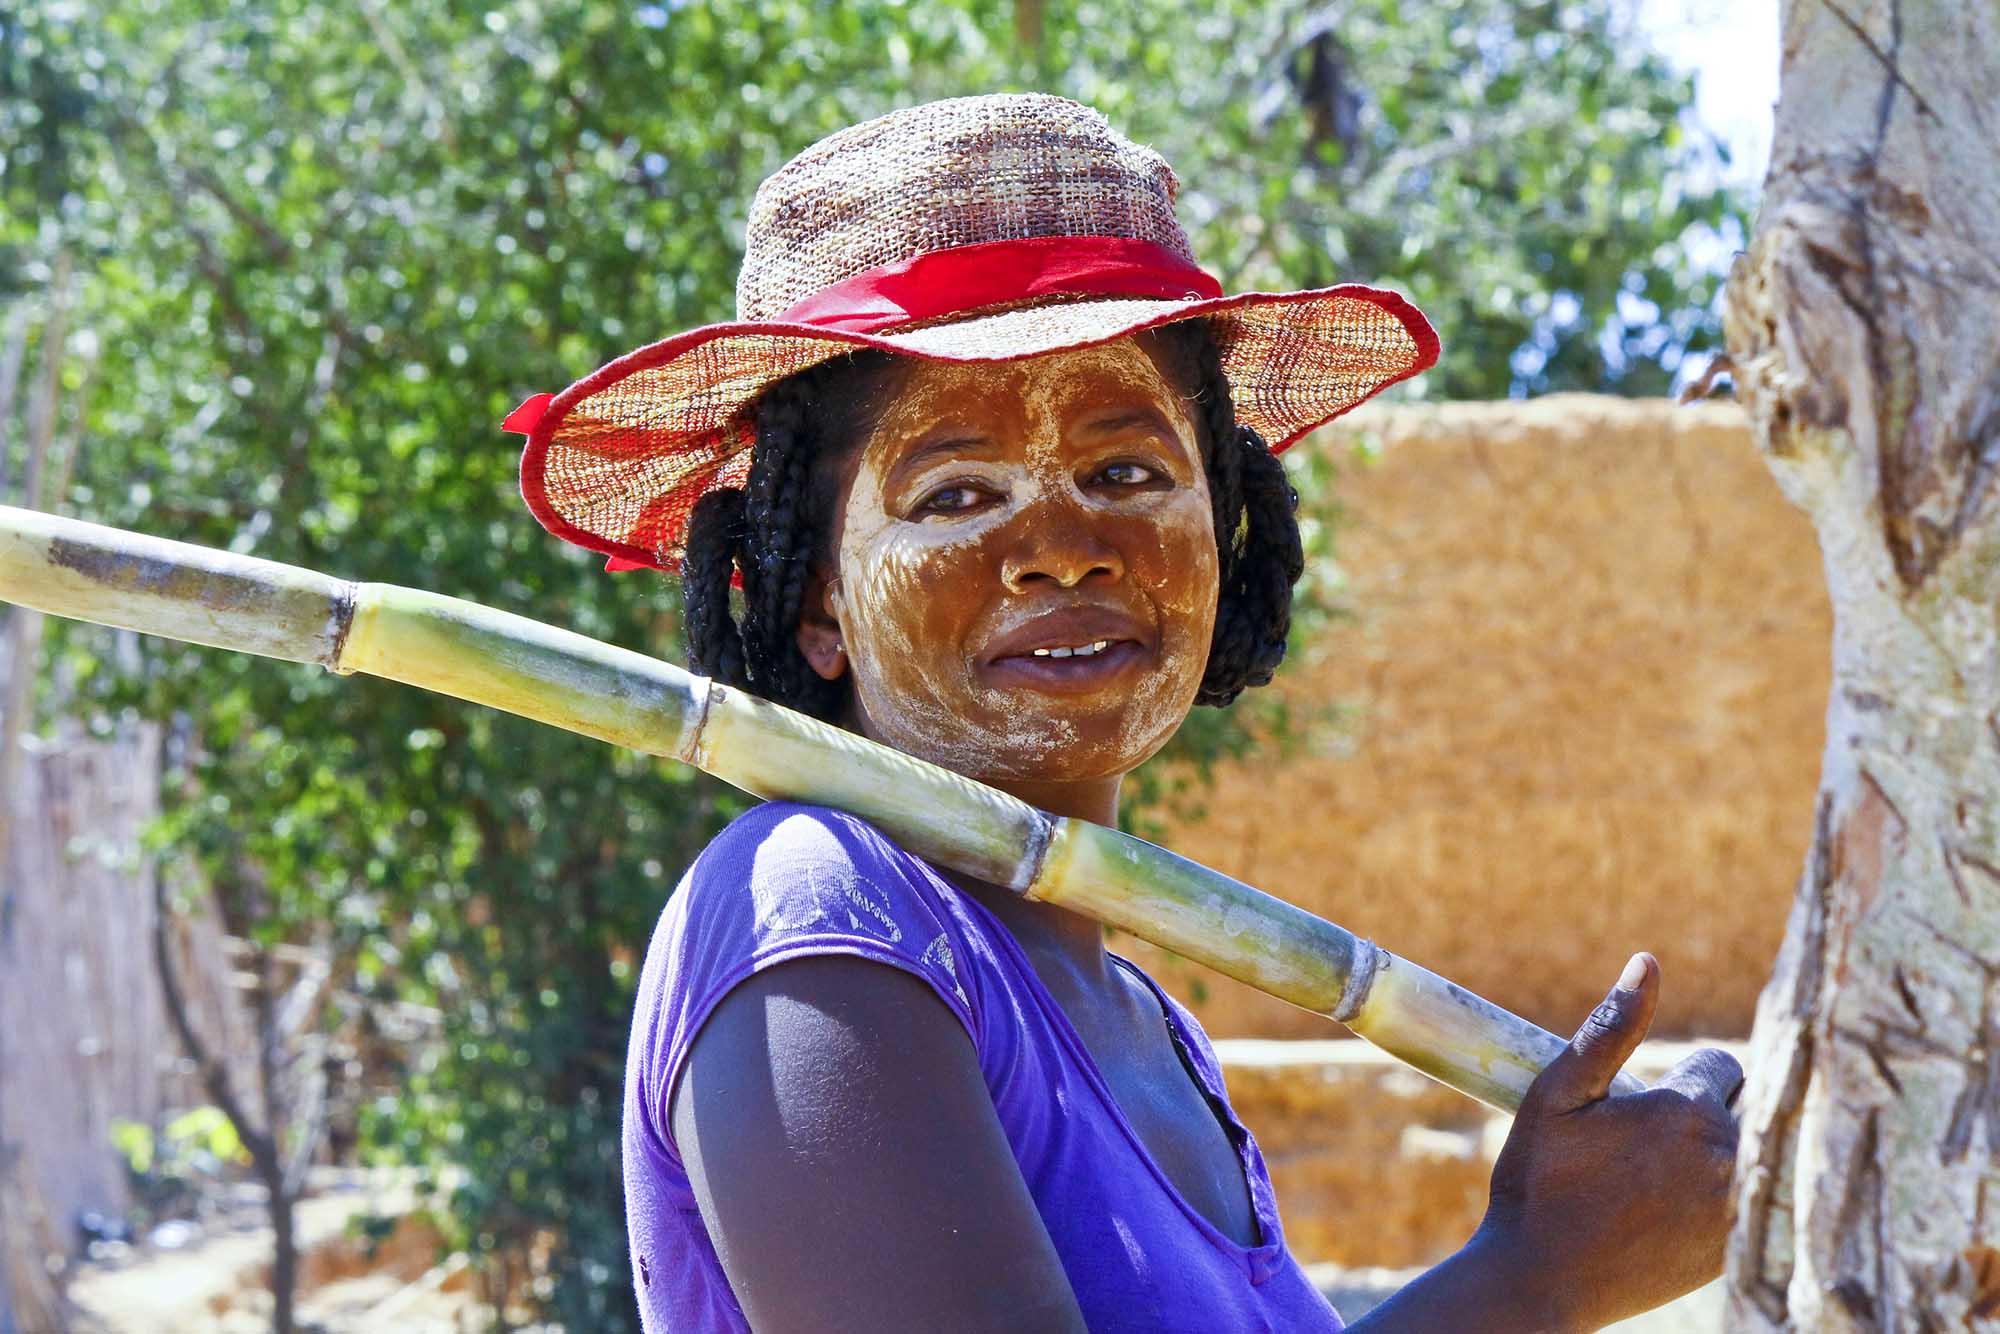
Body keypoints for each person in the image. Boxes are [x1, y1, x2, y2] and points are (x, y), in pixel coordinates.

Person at [508, 93, 1742, 1333]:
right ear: (815, 600)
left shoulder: (1146, 1024)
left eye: (1125, 472)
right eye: (953, 493)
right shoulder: (820, 917)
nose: (1060, 548)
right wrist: (1538, 1276)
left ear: (1225, 525)